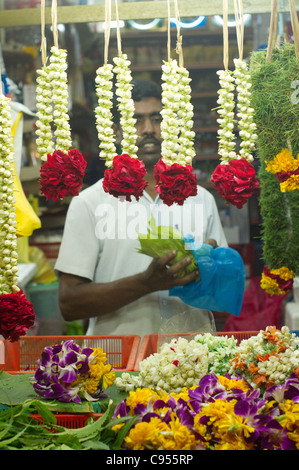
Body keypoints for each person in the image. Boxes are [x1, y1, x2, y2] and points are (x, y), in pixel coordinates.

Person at [55, 80, 228, 336]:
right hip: (119, 365)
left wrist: (212, 270)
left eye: (157, 119)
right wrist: (145, 284)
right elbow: (69, 303)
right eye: (136, 120)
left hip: (194, 361)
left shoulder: (199, 198)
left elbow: (224, 297)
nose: (148, 129)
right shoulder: (90, 203)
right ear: (115, 131)